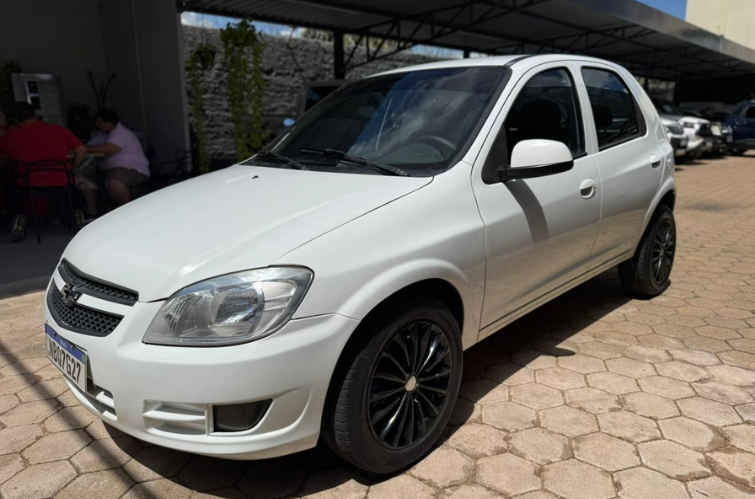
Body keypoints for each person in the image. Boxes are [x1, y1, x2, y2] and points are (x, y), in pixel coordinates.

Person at [0, 102, 85, 242]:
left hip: (30, 181)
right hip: (61, 177)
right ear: (35, 115)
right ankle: (76, 213)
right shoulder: (58, 130)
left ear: (14, 120)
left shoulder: (11, 136)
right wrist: (72, 169)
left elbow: (3, 157)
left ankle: (19, 216)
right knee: (71, 187)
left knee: (10, 185)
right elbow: (81, 151)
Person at [79, 108, 149, 216]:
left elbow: (109, 149)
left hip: (133, 170)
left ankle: (127, 213)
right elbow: (87, 146)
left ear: (109, 123)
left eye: (100, 122)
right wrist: (79, 148)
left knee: (114, 180)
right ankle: (92, 212)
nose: (97, 125)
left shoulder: (120, 132)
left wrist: (83, 149)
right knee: (85, 177)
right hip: (108, 170)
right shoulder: (102, 135)